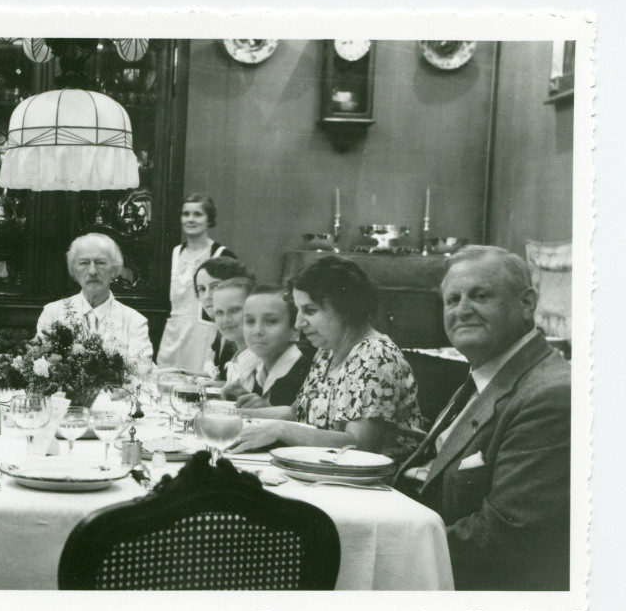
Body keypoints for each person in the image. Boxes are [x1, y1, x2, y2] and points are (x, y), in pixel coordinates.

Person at [395, 246, 571, 590]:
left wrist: (386, 547)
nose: (462, 310)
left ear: (526, 303)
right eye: (452, 299)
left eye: (480, 295)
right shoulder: (485, 373)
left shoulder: (550, 395)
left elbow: (505, 536)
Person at [233, 256, 423, 462]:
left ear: (347, 307)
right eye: (298, 310)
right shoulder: (327, 351)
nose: (298, 324)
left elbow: (360, 446)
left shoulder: (376, 356)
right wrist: (234, 416)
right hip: (327, 472)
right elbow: (296, 413)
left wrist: (281, 430)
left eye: (310, 310)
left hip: (380, 484)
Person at [37, 232, 154, 365]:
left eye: (100, 262)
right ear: (74, 270)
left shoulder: (135, 322)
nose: (92, 271)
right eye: (84, 263)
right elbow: (40, 363)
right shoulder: (52, 313)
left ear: (114, 270)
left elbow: (140, 372)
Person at [155, 194, 235, 371]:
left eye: (197, 214)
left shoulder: (222, 255)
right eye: (186, 214)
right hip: (172, 338)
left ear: (209, 219)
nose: (190, 219)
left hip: (203, 339)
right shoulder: (173, 253)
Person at [225, 285, 314, 408]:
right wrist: (245, 398)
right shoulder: (261, 371)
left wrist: (266, 410)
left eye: (271, 321)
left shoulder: (303, 372)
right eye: (250, 321)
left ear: (295, 330)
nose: (257, 331)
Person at [192, 257, 253, 378]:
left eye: (215, 287)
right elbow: (223, 379)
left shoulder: (241, 331)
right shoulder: (222, 330)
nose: (207, 296)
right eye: (201, 289)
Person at [211, 277, 261, 394]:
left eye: (234, 310)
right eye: (219, 312)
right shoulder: (239, 356)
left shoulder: (262, 361)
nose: (226, 319)